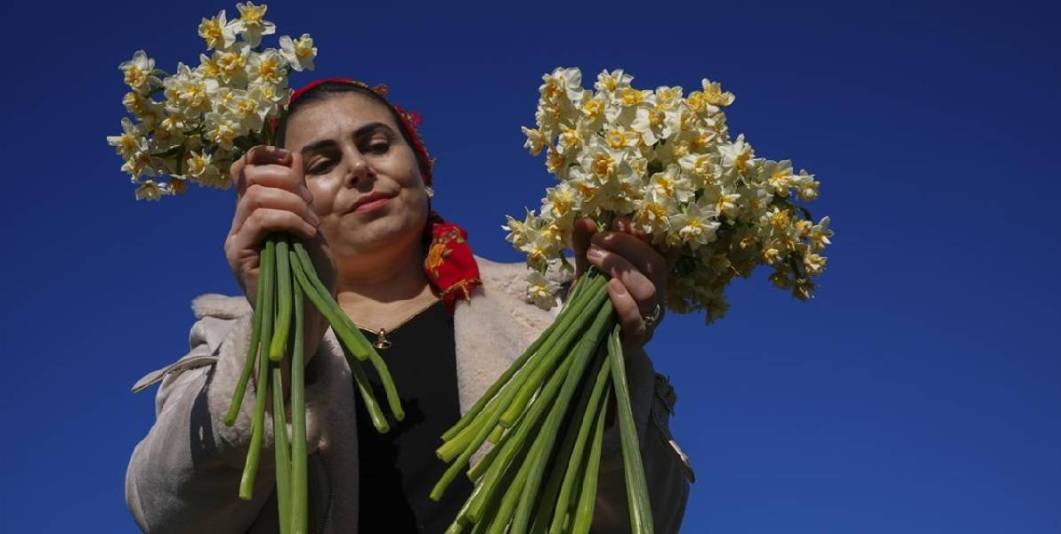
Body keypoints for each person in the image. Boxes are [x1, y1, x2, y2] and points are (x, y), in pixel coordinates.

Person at [125, 78, 694, 533]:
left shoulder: (550, 311)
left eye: (376, 144)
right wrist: (283, 333)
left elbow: (648, 516)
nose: (358, 168)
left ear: (423, 171)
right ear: (283, 200)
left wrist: (605, 363)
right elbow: (169, 513)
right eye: (321, 163)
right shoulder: (231, 339)